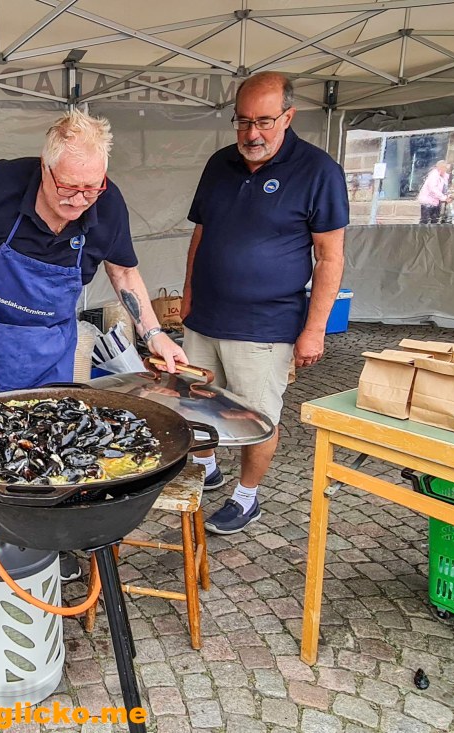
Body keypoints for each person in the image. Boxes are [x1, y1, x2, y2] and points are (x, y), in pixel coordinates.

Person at [0, 109, 187, 579]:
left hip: (48, 342)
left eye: (92, 188)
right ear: (45, 168)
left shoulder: (107, 204)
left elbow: (124, 272)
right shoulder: (1, 184)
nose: (80, 200)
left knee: (50, 436)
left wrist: (154, 333)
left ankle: (45, 536)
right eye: (69, 187)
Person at [181, 71, 348, 535]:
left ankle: (246, 497)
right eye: (243, 121)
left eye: (264, 122)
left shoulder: (318, 171)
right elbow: (201, 234)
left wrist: (314, 329)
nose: (252, 133)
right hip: (204, 317)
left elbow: (330, 257)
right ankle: (208, 468)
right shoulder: (219, 163)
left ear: (288, 117)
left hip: (265, 324)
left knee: (255, 417)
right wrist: (188, 293)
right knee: (196, 404)